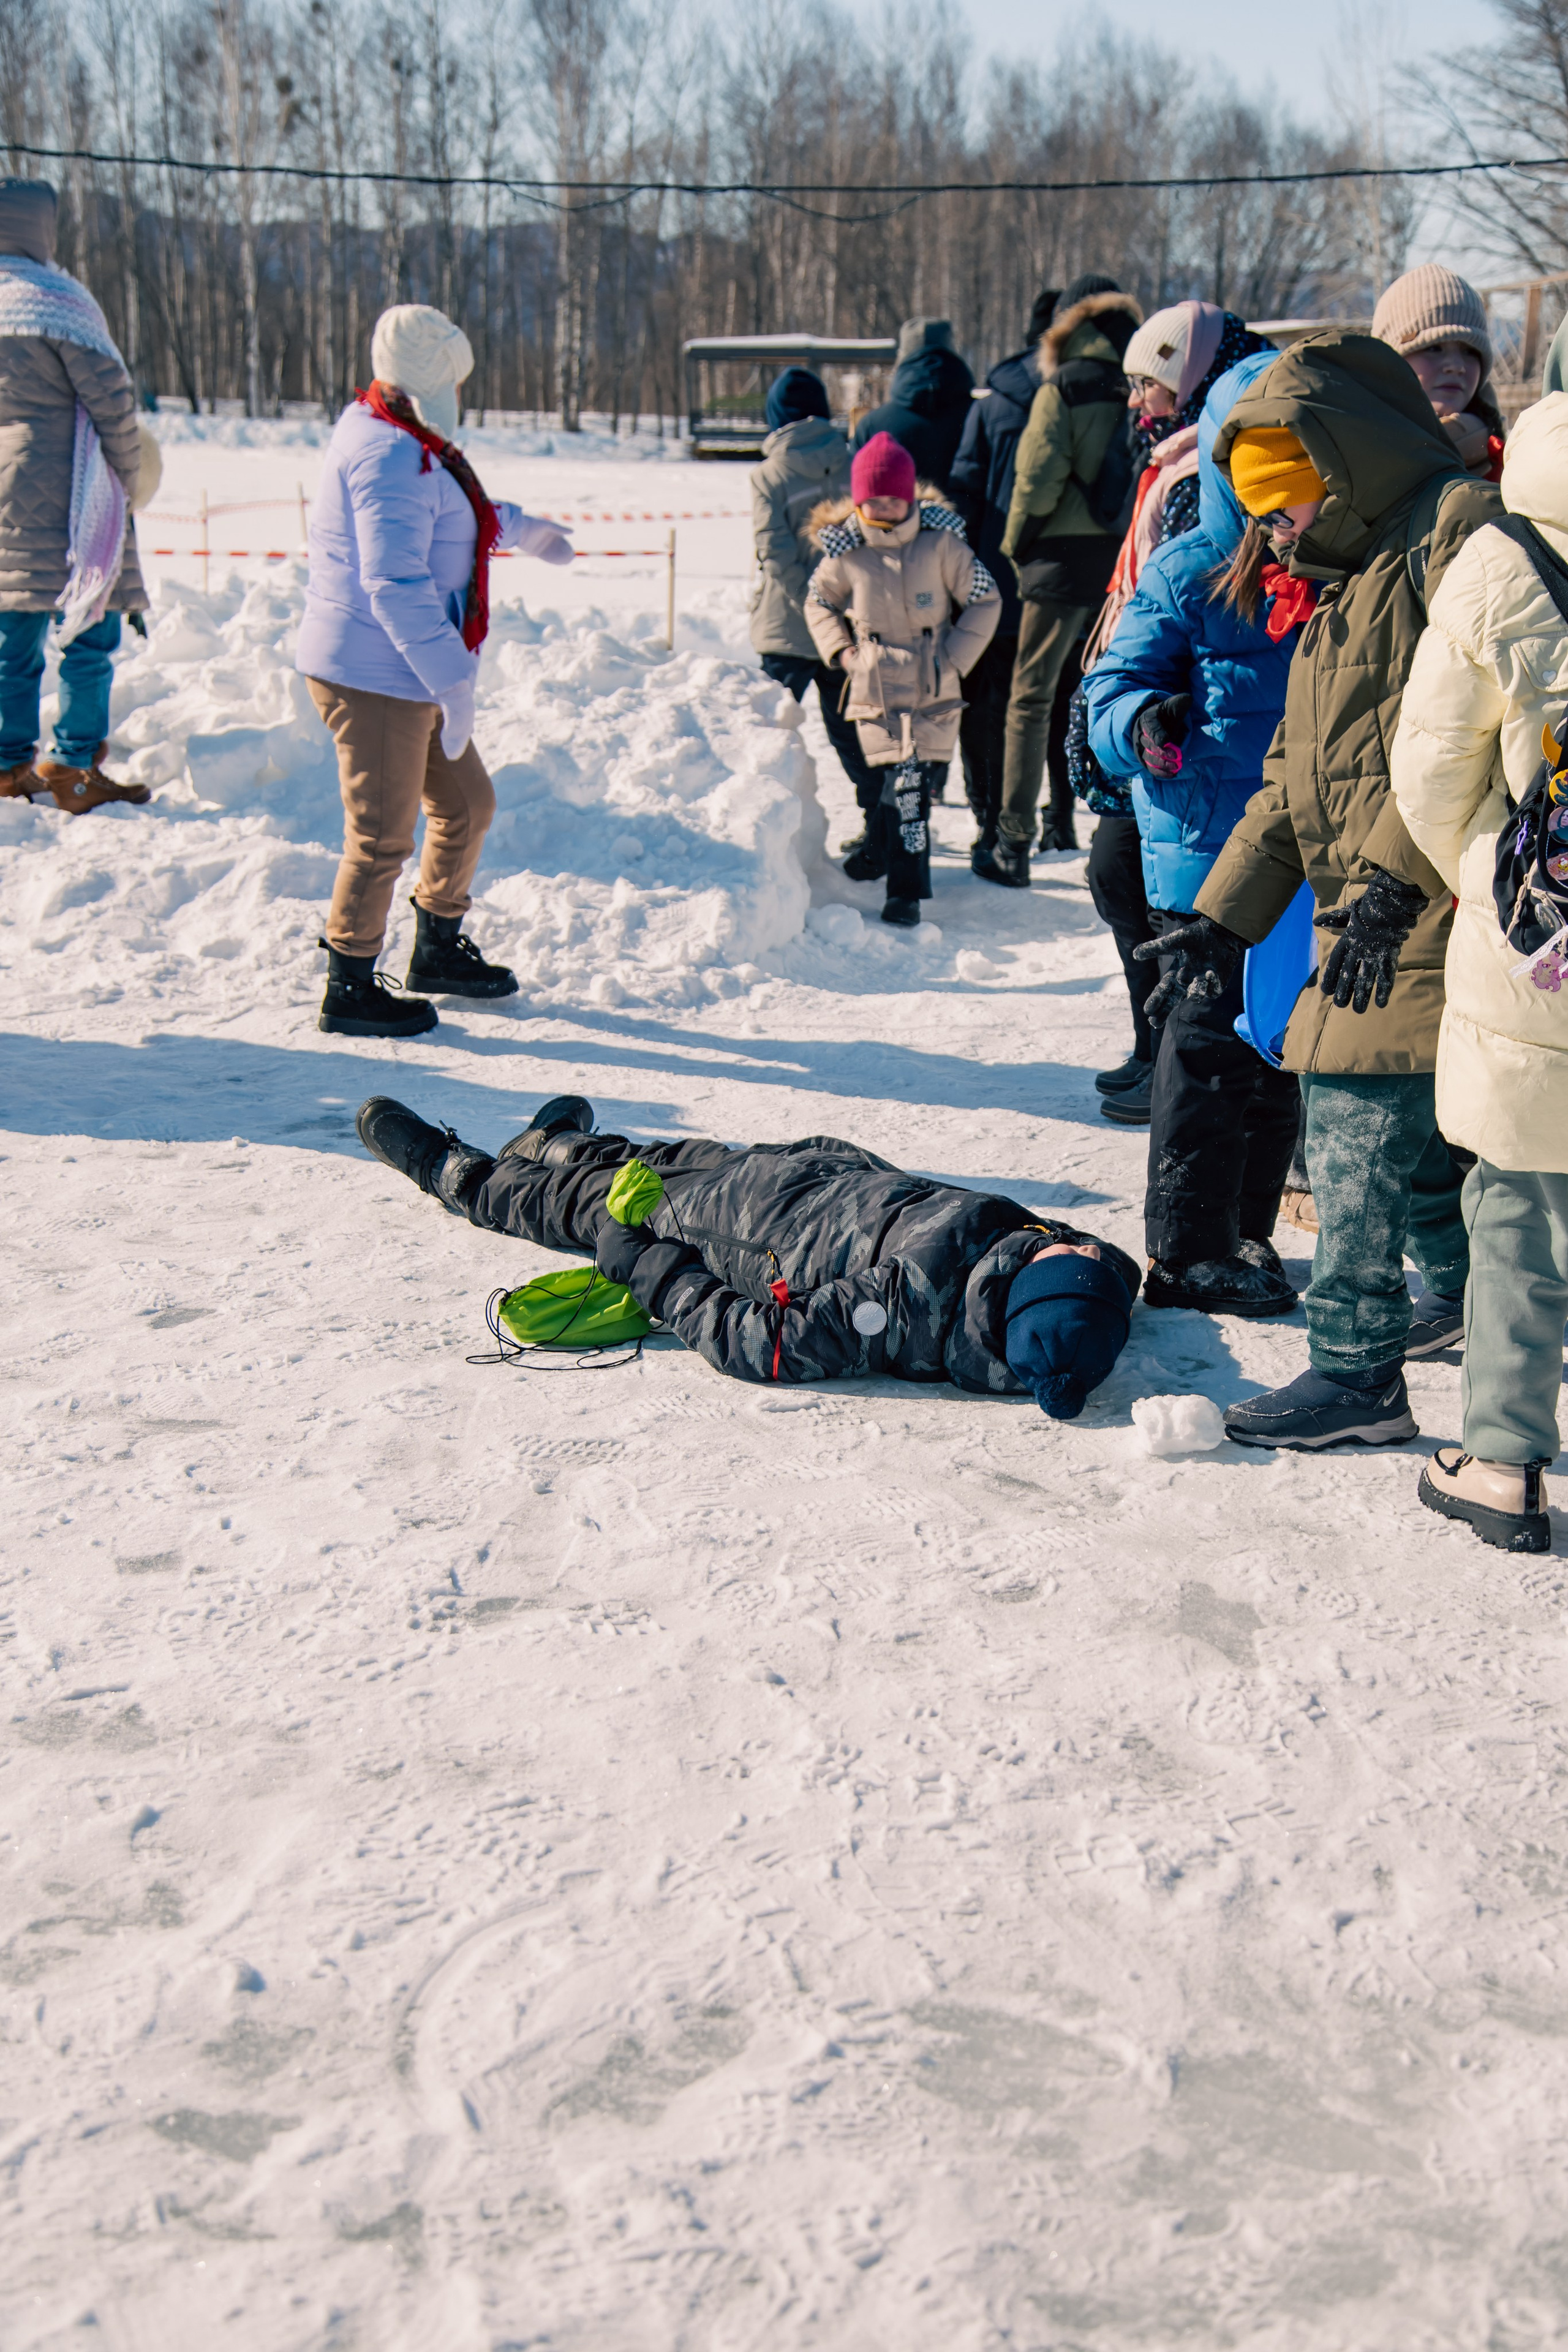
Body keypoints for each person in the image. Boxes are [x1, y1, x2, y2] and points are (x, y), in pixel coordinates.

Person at [1158, 330, 1501, 1449]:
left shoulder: (1449, 534)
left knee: (1351, 1118)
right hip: (1367, 910)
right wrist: (1223, 916)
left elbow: (1471, 740)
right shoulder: (1337, 585)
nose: (1270, 531)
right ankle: (1465, 1292)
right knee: (1424, 1140)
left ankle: (1356, 1372)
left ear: (1338, 469)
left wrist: (1397, 886)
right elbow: (1291, 778)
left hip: (1439, 898)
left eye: (1282, 504)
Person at [354, 1091, 1141, 1414]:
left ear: (1017, 1299)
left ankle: (466, 1178)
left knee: (582, 1208)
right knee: (656, 1154)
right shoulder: (1041, 1258)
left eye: (1059, 1259)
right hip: (784, 1174)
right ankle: (561, 1145)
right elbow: (1104, 1269)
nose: (1067, 1244)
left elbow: (760, 1345)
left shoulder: (903, 1306)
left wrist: (648, 1267)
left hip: (715, 1225)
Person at [1083, 350, 1303, 1306]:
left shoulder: (1331, 572)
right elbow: (1111, 686)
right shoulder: (1187, 569)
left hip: (1302, 859)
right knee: (1208, 1055)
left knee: (1278, 1062)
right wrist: (1144, 727)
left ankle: (1244, 1235)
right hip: (1205, 856)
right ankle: (1184, 1252)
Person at [1390, 391, 1568, 1551]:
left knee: (1519, 1206)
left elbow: (1433, 775)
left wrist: (1488, 875)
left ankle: (1500, 1465)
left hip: (1544, 946)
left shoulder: (1497, 561)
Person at [296, 303, 575, 1039]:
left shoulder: (404, 435)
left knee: (467, 804)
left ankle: (437, 951)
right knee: (382, 835)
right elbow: (393, 582)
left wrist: (518, 528)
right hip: (377, 673)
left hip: (403, 670)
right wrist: (452, 678)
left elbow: (450, 512)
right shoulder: (387, 452)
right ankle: (349, 984)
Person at [1073, 304, 1274, 1124]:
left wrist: (1153, 713)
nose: (1136, 401)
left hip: (1211, 763)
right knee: (1126, 881)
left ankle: (1163, 1057)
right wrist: (1132, 713)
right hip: (1174, 740)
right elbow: (1149, 622)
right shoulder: (1173, 465)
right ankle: (1155, 1052)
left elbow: (1192, 617)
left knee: (1139, 888)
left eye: (1150, 382)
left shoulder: (1211, 475)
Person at [0, 178, 156, 814]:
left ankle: (9, 766)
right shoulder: (56, 301)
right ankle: (73, 766)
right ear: (42, 228)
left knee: (13, 633)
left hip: (4, 490)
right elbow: (112, 404)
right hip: (71, 495)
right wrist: (129, 473)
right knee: (89, 629)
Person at [985, 274, 1144, 889]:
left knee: (1030, 701)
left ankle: (1013, 840)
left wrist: (1015, 543)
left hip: (1056, 562)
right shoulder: (1143, 384)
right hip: (1126, 565)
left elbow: (1038, 476)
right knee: (1114, 694)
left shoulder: (1062, 386)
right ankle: (1108, 828)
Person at [804, 432, 1000, 927]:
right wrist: (843, 652)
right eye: (875, 500)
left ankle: (905, 893)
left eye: (895, 498)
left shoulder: (941, 545)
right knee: (886, 787)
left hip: (934, 687)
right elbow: (819, 600)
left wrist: (954, 658)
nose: (887, 508)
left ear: (911, 496)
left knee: (910, 788)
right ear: (860, 500)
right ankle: (881, 855)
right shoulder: (846, 550)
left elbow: (985, 598)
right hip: (875, 688)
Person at [949, 288, 1058, 867]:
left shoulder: (992, 404)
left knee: (991, 707)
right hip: (1071, 585)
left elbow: (964, 491)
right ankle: (1061, 817)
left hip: (994, 584)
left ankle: (992, 823)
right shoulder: (1099, 396)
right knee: (1061, 701)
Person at [748, 365, 878, 845]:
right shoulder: (855, 464)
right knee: (855, 735)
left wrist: (811, 602)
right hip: (846, 625)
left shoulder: (768, 475)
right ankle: (879, 832)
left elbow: (775, 552)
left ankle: (757, 836)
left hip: (785, 628)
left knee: (768, 735)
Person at [1373, 264, 1505, 483]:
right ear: (1388, 363)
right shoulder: (1340, 455)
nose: (1456, 366)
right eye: (1433, 348)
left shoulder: (1510, 466)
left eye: (1470, 351)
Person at [851, 320, 975, 497]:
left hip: (891, 523)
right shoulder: (980, 415)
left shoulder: (873, 425)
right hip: (967, 524)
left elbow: (855, 494)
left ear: (902, 358)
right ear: (953, 353)